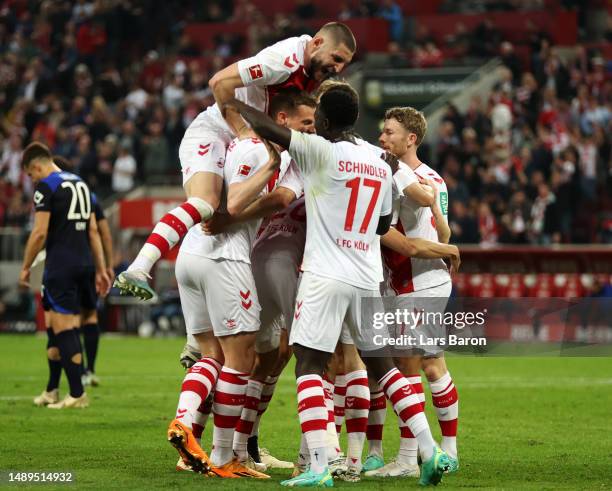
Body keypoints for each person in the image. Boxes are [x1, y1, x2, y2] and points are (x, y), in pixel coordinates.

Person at [229, 82, 451, 486]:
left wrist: (232, 102)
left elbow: (270, 129)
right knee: (383, 367)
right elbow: (384, 224)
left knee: (310, 363)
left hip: (325, 274)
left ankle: (317, 467)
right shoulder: (380, 160)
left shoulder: (320, 149)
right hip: (367, 275)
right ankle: (428, 449)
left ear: (325, 120)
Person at [114, 22, 357, 300]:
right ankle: (139, 267)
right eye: (336, 59)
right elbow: (219, 81)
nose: (338, 68)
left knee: (216, 215)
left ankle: (195, 337)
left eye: (344, 64)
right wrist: (241, 129)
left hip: (251, 144)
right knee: (205, 203)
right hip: (216, 132)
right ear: (316, 43)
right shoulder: (282, 62)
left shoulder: (313, 72)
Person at [167, 90, 310, 478]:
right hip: (224, 255)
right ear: (282, 119)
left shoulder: (235, 145)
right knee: (240, 359)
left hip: (192, 253)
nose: (309, 131)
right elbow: (230, 204)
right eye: (305, 123)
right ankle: (224, 455)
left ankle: (186, 427)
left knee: (211, 355)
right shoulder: (256, 150)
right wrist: (231, 213)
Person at [366, 106, 460, 477]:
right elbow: (446, 234)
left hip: (416, 282)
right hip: (425, 280)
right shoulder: (435, 178)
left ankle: (407, 459)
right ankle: (449, 449)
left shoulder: (399, 176)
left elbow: (404, 237)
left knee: (406, 366)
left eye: (390, 132)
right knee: (432, 363)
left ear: (411, 139)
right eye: (382, 131)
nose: (382, 138)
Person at [21, 142, 110, 409]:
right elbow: (93, 231)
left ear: (36, 166)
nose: (32, 179)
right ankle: (53, 390)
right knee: (56, 326)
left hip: (61, 265)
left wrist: (26, 266)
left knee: (63, 327)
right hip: (84, 264)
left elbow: (39, 233)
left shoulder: (46, 186)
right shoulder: (81, 183)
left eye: (30, 174)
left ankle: (76, 393)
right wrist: (102, 268)